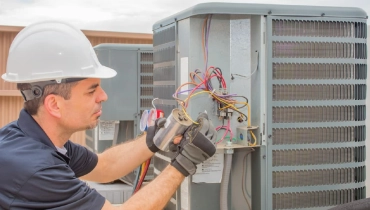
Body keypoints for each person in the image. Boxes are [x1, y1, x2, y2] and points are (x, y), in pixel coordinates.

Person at [0, 21, 217, 210]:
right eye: (92, 90)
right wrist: (185, 163)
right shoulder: (36, 168)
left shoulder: (36, 140)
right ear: (54, 105)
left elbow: (104, 167)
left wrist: (153, 140)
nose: (103, 96)